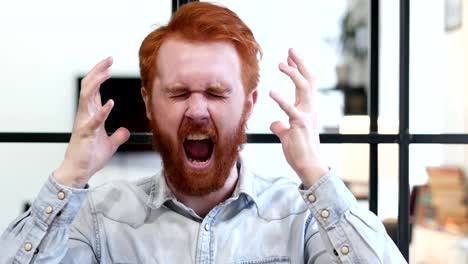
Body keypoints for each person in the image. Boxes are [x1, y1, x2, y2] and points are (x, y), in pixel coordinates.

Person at [0, 2, 407, 263]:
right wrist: (70, 177)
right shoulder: (100, 219)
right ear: (147, 102)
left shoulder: (300, 218)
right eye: (178, 93)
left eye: (215, 92)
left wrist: (317, 173)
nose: (196, 109)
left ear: (248, 104)